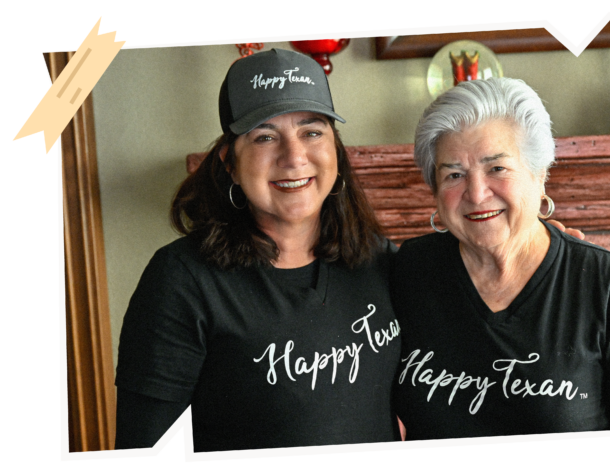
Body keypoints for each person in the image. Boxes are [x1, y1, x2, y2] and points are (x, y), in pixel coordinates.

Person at [114, 49, 403, 451]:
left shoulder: (382, 261)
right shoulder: (181, 279)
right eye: (265, 136)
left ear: (335, 149)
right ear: (229, 162)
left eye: (312, 131)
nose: (294, 157)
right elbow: (143, 445)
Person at [391, 77, 610, 440]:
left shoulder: (603, 282)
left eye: (497, 168)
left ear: (540, 174)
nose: (477, 194)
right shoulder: (406, 272)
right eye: (454, 174)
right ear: (434, 192)